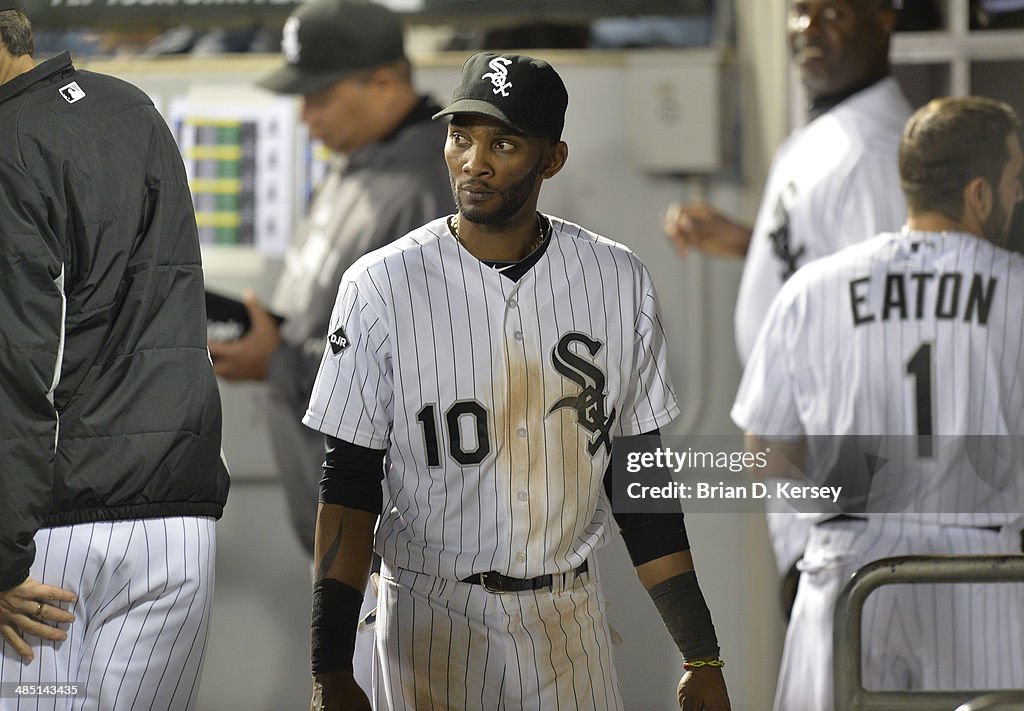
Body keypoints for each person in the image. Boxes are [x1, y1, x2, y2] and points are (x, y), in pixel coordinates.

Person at [302, 51, 731, 711]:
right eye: (461, 136)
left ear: (551, 158)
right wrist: (329, 666)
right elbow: (349, 485)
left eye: (502, 142)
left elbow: (640, 485)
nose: (475, 161)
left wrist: (700, 650)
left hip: (568, 619)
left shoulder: (616, 279)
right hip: (428, 613)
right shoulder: (380, 285)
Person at [732, 96, 1024, 711]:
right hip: (984, 569)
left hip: (849, 568)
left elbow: (765, 454)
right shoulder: (1018, 289)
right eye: (1014, 180)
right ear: (978, 194)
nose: (1018, 196)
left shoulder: (812, 289)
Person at [0, 4, 230, 710]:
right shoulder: (132, 108)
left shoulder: (8, 140)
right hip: (178, 528)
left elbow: (19, 364)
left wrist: (3, 553)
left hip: (53, 537)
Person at [663, 0, 913, 614]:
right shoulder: (831, 128)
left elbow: (884, 328)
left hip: (842, 495)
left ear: (883, 19)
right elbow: (838, 271)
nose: (806, 28)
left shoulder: (873, 152)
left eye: (832, 11)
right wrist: (756, 246)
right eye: (800, 11)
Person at [208, 0, 451, 559]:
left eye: (319, 99)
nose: (304, 118)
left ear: (384, 83)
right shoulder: (356, 164)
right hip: (349, 540)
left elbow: (425, 366)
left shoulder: (430, 189)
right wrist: (271, 336)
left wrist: (281, 360)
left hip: (410, 548)